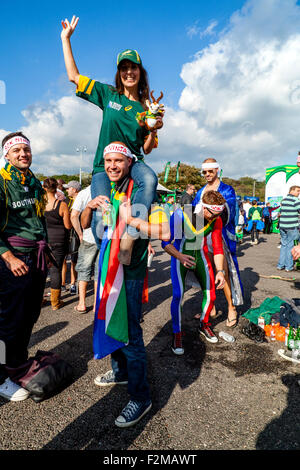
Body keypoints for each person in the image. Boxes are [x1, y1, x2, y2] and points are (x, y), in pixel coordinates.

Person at [60, 16, 163, 265]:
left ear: (140, 71)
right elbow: (74, 76)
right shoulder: (108, 94)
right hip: (103, 167)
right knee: (101, 218)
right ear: (119, 73)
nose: (129, 72)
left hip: (132, 163)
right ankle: (106, 265)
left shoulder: (146, 107)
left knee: (150, 178)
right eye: (124, 68)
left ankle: (130, 234)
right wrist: (66, 39)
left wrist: (154, 128)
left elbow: (146, 149)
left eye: (133, 67)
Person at [81, 141, 169, 428]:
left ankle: (141, 397)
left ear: (130, 162)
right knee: (110, 322)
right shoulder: (111, 191)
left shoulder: (141, 193)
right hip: (108, 271)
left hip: (129, 274)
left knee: (131, 333)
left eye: (118, 161)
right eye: (107, 162)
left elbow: (168, 230)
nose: (112, 166)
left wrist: (134, 220)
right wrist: (92, 207)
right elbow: (86, 225)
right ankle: (119, 371)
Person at [0, 132, 49, 401]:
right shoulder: (2, 181)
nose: (23, 154)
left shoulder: (33, 180)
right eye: (16, 150)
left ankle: (16, 365)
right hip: (13, 258)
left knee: (29, 316)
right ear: (6, 154)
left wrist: (46, 248)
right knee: (8, 321)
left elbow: (38, 219)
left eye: (26, 150)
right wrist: (8, 257)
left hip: (36, 256)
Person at [162, 190, 226, 353]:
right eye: (212, 213)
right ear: (203, 207)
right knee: (178, 295)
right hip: (180, 256)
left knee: (211, 294)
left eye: (219, 214)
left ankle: (204, 324)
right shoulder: (181, 214)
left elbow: (218, 248)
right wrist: (180, 256)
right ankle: (176, 333)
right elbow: (165, 243)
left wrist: (220, 271)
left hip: (201, 257)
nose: (215, 218)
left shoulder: (216, 219)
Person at [193, 158, 243, 328]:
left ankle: (231, 307)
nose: (207, 175)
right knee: (206, 272)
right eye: (204, 172)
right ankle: (211, 308)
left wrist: (211, 215)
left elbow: (228, 212)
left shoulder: (227, 190)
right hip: (203, 237)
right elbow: (193, 213)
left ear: (217, 171)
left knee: (224, 273)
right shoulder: (200, 191)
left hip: (220, 235)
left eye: (210, 171)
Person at [43, 178, 72, 310]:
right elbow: (67, 225)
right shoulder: (62, 205)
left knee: (41, 271)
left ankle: (39, 299)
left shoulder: (39, 204)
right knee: (56, 270)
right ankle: (55, 302)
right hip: (59, 241)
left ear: (44, 188)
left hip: (43, 241)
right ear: (56, 189)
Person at [71, 185, 99, 314]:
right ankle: (96, 305)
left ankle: (82, 303)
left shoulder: (84, 193)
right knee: (100, 272)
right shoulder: (111, 188)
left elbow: (74, 215)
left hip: (88, 237)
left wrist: (80, 233)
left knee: (84, 270)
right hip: (106, 237)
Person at [64, 180, 81, 294]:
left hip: (80, 233)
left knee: (77, 259)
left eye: (68, 188)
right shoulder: (67, 202)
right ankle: (73, 283)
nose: (66, 190)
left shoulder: (83, 200)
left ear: (74, 189)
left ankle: (76, 283)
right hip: (70, 234)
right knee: (72, 259)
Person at [277, 185, 300, 272]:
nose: (299, 193)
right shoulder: (295, 200)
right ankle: (288, 266)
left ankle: (280, 265)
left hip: (283, 226)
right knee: (291, 246)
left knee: (284, 246)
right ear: (292, 191)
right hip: (291, 226)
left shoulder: (284, 200)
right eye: (297, 191)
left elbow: (281, 212)